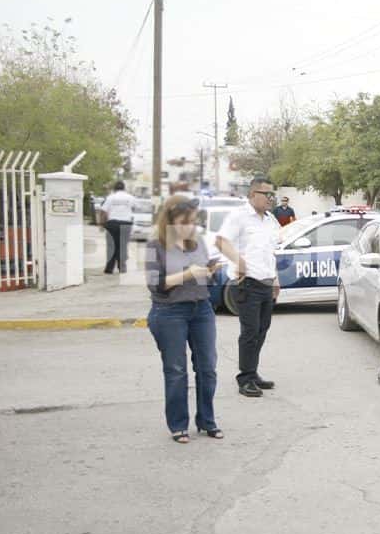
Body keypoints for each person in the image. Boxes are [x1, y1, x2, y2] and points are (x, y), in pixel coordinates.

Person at [144, 195, 224, 444]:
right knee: (177, 371)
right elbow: (155, 285)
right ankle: (178, 425)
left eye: (192, 222)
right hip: (170, 312)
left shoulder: (197, 242)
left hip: (201, 309)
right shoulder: (156, 245)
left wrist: (210, 271)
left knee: (207, 368)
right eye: (183, 222)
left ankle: (206, 421)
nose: (188, 227)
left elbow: (204, 277)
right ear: (169, 221)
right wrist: (187, 274)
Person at [215, 177, 282, 398]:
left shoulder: (270, 219)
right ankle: (244, 379)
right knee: (250, 332)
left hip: (265, 283)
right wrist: (239, 261)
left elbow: (269, 252)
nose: (271, 198)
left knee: (262, 330)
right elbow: (221, 241)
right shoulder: (240, 216)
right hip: (247, 283)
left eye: (272, 194)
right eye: (266, 194)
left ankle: (252, 373)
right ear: (253, 194)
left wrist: (275, 279)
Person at [101, 181, 136, 273]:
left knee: (111, 246)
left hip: (112, 224)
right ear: (124, 188)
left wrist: (102, 224)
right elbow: (135, 208)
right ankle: (122, 267)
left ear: (114, 188)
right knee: (123, 245)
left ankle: (109, 268)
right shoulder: (130, 198)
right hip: (126, 224)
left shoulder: (110, 197)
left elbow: (104, 211)